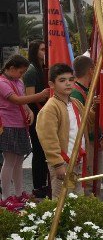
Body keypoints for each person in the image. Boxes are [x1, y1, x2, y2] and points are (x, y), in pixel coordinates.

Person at [36, 63, 90, 198]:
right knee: (62, 200)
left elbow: (87, 124)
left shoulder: (75, 103)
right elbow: (48, 138)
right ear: (52, 84)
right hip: (63, 162)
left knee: (78, 198)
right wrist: (58, 163)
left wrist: (94, 107)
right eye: (62, 80)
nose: (68, 83)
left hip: (77, 160)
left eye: (71, 80)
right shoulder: (50, 108)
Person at [0, 55, 50, 201]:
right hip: (8, 124)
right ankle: (6, 196)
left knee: (19, 161)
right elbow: (16, 100)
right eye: (20, 72)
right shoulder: (2, 82)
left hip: (20, 124)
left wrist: (29, 112)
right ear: (11, 68)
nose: (21, 75)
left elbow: (23, 102)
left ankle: (19, 192)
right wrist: (38, 96)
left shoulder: (18, 82)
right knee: (9, 160)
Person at [71, 55, 103, 196]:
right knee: (89, 182)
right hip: (87, 142)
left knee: (95, 181)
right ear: (91, 70)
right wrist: (94, 109)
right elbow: (82, 121)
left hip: (93, 140)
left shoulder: (86, 89)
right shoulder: (75, 93)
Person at [23, 40, 50, 198]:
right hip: (36, 114)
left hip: (43, 114)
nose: (45, 51)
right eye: (42, 49)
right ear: (35, 51)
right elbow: (29, 97)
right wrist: (42, 95)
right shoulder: (31, 70)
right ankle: (38, 186)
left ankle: (43, 184)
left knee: (44, 150)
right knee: (39, 151)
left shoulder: (42, 68)